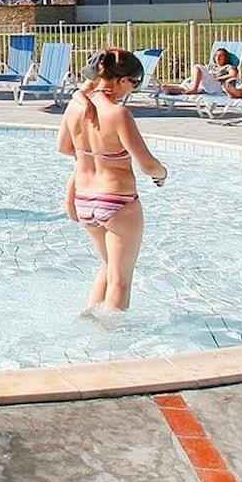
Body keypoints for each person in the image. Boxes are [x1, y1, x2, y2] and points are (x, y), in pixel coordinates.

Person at [57, 48, 168, 317]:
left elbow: (64, 147)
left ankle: (90, 317)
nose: (133, 89)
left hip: (85, 199)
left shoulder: (76, 107)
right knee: (120, 279)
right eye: (134, 83)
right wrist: (161, 174)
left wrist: (91, 153)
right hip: (117, 201)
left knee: (108, 266)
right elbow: (146, 163)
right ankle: (112, 334)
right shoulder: (118, 114)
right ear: (121, 80)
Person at [163, 47, 238, 96]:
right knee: (186, 86)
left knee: (197, 66)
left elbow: (233, 75)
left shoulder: (227, 67)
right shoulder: (211, 66)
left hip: (217, 87)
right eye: (216, 55)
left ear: (226, 58)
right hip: (205, 86)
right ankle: (171, 89)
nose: (217, 57)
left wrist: (218, 78)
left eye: (221, 56)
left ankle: (194, 89)